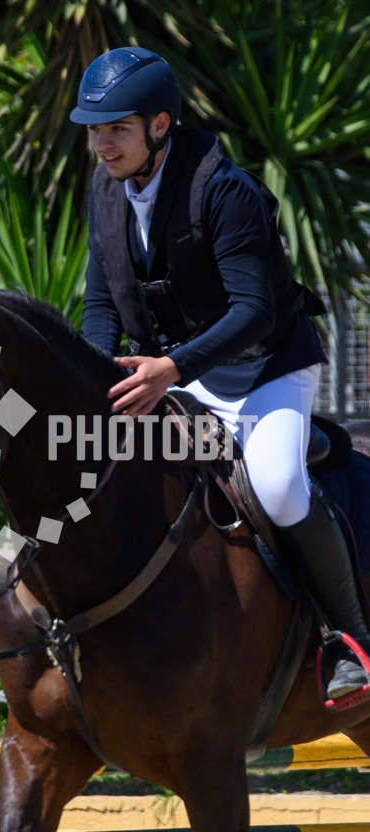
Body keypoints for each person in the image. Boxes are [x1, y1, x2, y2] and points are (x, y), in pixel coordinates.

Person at [70, 45, 370, 700]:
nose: (102, 144)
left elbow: (254, 311)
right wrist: (98, 375)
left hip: (265, 367)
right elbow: (101, 302)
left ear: (159, 125)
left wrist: (173, 367)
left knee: (278, 485)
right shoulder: (105, 189)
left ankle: (347, 639)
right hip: (172, 370)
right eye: (94, 130)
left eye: (116, 129)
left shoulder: (224, 190)